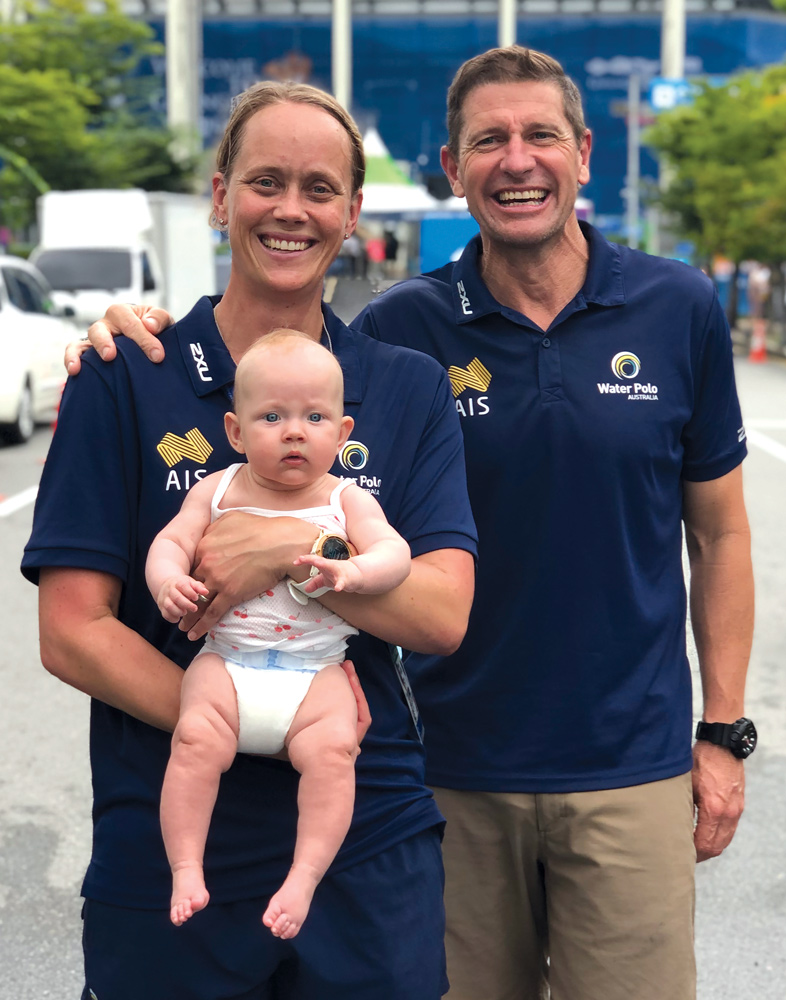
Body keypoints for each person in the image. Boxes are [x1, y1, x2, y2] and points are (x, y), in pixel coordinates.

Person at [68, 46, 755, 1000]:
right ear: (451, 167)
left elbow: (709, 538)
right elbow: (75, 626)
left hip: (580, 774)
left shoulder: (651, 312)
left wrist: (723, 728)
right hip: (423, 779)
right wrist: (243, 714)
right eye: (488, 140)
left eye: (540, 135)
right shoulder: (388, 335)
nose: (517, 159)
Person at [24, 80, 476, 1000]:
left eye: (320, 189)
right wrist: (253, 723)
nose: (291, 210)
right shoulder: (125, 376)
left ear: (352, 212)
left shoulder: (405, 387)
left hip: (362, 839)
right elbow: (72, 631)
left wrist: (280, 552)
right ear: (222, 195)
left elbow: (440, 614)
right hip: (172, 849)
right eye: (266, 181)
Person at [147, 330, 412, 938]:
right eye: (272, 417)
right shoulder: (216, 490)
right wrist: (167, 581)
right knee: (193, 741)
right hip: (227, 662)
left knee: (335, 754)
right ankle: (186, 868)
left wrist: (355, 572)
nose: (294, 432)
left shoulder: (347, 499)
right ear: (236, 432)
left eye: (314, 417)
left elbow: (394, 554)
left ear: (342, 434)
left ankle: (303, 878)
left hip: (316, 673)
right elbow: (171, 542)